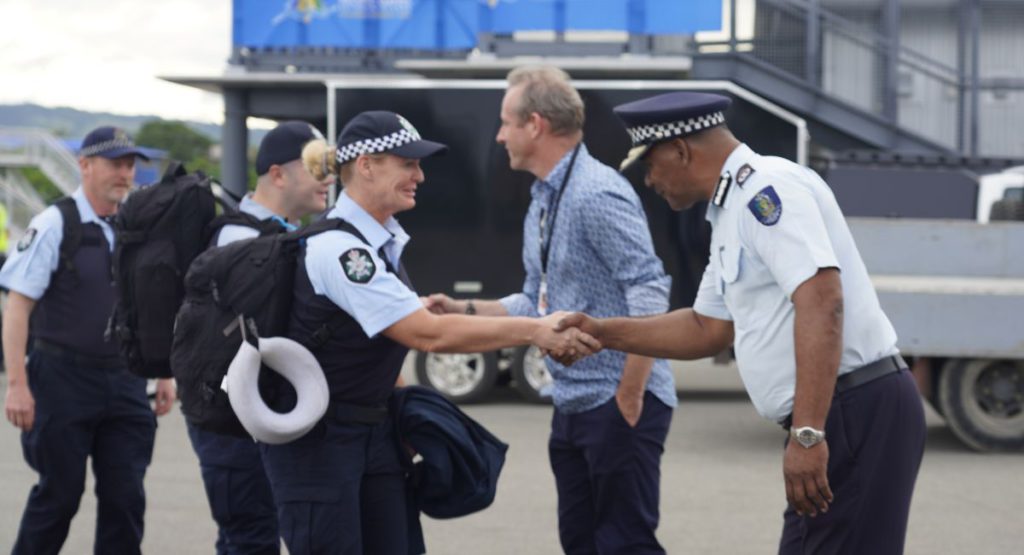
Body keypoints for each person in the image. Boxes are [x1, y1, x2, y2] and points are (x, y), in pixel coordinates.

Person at [557, 92, 927, 554]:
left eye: (649, 164)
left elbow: (822, 301)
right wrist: (601, 331)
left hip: (852, 410)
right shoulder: (732, 208)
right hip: (843, 409)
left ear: (681, 150)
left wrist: (808, 434)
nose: (649, 180)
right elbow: (705, 327)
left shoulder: (765, 193)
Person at [259, 110, 599, 555]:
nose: (419, 175)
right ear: (366, 166)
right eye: (407, 163)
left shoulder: (377, 242)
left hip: (371, 435)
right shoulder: (341, 250)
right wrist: (535, 330)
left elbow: (381, 345)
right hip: (322, 450)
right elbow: (429, 335)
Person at [426, 65, 676, 555]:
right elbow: (535, 302)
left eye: (505, 123)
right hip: (572, 404)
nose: (499, 136)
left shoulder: (595, 192)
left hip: (615, 402)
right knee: (581, 543)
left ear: (535, 125)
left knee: (624, 545)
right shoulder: (544, 197)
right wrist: (464, 308)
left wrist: (629, 395)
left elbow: (649, 290)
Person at [1, 126, 177, 554]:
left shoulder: (136, 228)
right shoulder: (54, 224)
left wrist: (164, 372)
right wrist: (17, 385)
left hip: (125, 380)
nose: (126, 173)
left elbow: (151, 306)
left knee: (126, 499)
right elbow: (17, 308)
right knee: (58, 497)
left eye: (131, 164)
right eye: (115, 163)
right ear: (84, 165)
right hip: (62, 379)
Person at [185, 120, 332, 555]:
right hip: (233, 424)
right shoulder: (241, 239)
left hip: (262, 415)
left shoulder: (283, 236)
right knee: (249, 541)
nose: (328, 178)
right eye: (315, 166)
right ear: (278, 173)